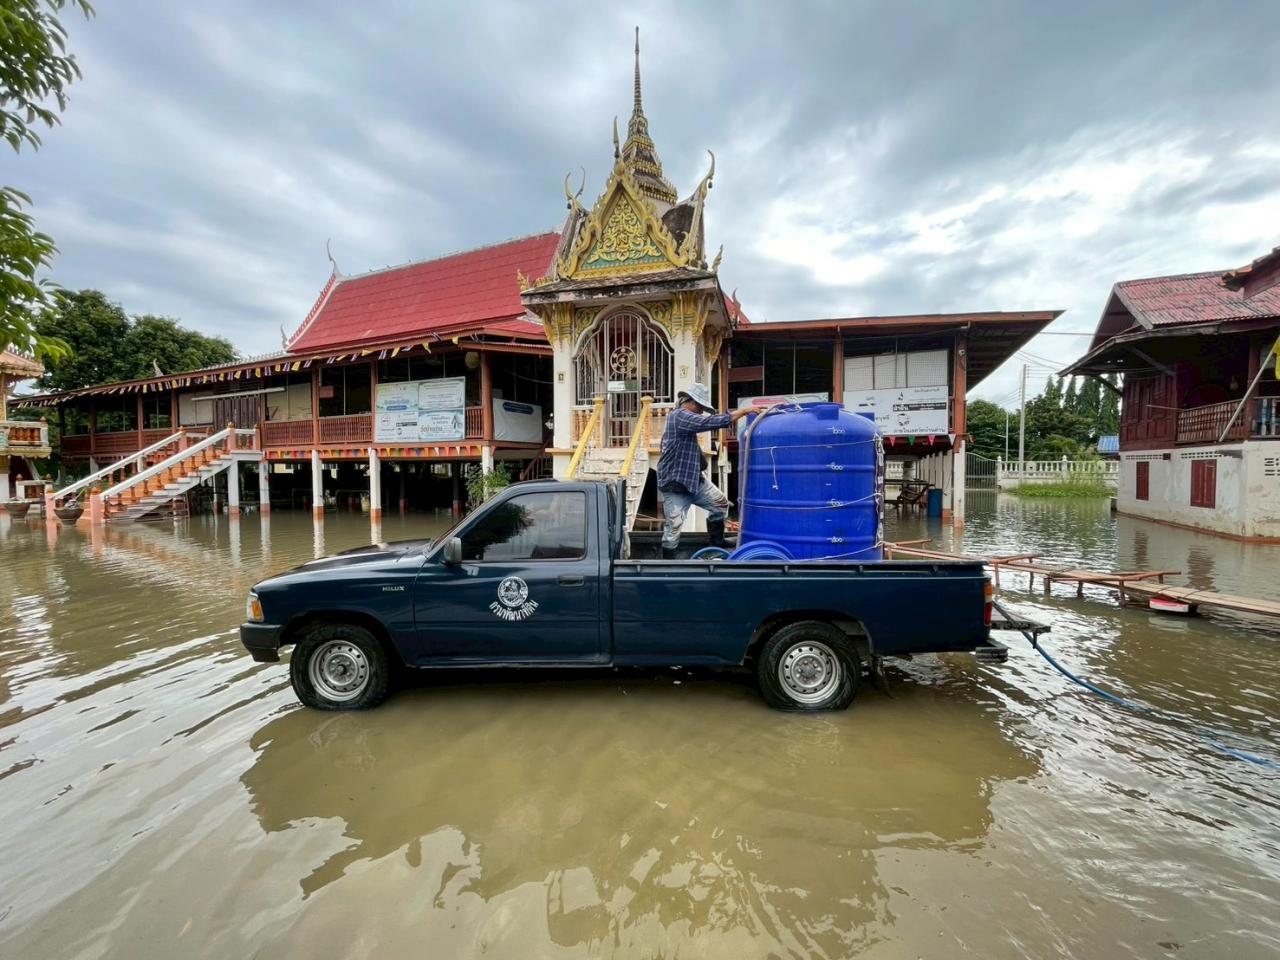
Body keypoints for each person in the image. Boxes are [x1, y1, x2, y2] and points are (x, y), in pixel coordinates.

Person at [656, 383, 751, 559]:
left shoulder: (684, 421)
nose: (701, 411)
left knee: (721, 505)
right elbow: (707, 422)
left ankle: (717, 544)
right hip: (675, 483)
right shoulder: (679, 416)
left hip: (694, 480)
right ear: (689, 402)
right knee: (674, 527)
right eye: (700, 407)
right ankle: (667, 564)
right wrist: (742, 412)